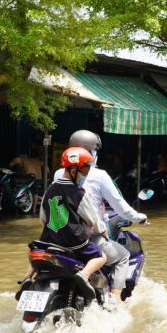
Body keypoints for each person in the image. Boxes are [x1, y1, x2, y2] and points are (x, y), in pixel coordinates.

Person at [54, 130, 147, 304]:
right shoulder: (98, 175)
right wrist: (138, 217)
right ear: (91, 153)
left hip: (58, 237)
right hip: (84, 238)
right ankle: (115, 299)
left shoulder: (59, 174)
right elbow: (120, 208)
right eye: (95, 151)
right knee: (124, 255)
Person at [26, 147, 107, 295]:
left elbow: (43, 219)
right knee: (102, 256)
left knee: (38, 251)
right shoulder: (78, 193)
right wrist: (103, 230)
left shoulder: (49, 190)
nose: (85, 177)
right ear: (74, 171)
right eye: (85, 173)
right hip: (74, 243)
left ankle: (27, 277)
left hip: (50, 240)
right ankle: (84, 275)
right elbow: (93, 219)